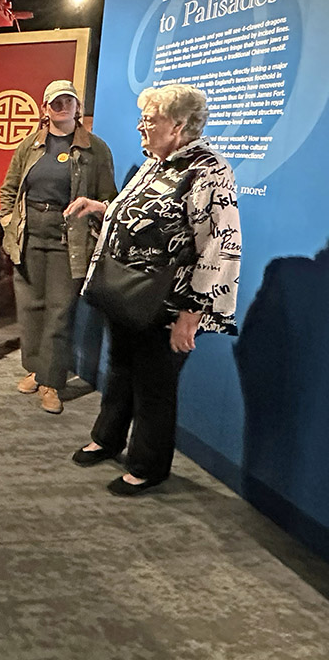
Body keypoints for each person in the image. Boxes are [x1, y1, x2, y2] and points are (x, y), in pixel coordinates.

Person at [71, 84, 241, 496]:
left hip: (167, 301)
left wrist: (192, 313)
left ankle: (148, 465)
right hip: (129, 293)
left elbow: (219, 244)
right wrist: (101, 209)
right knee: (120, 369)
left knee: (154, 386)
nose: (141, 127)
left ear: (179, 126)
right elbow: (149, 217)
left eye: (151, 120)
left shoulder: (208, 170)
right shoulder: (157, 161)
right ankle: (108, 438)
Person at [0, 79, 116, 415]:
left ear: (78, 107)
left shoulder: (96, 149)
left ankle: (52, 381)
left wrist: (91, 207)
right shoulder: (30, 145)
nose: (62, 107)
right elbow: (9, 188)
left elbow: (109, 197)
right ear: (44, 107)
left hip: (70, 238)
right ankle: (37, 369)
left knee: (60, 310)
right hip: (29, 232)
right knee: (31, 306)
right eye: (55, 102)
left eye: (69, 101)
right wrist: (8, 221)